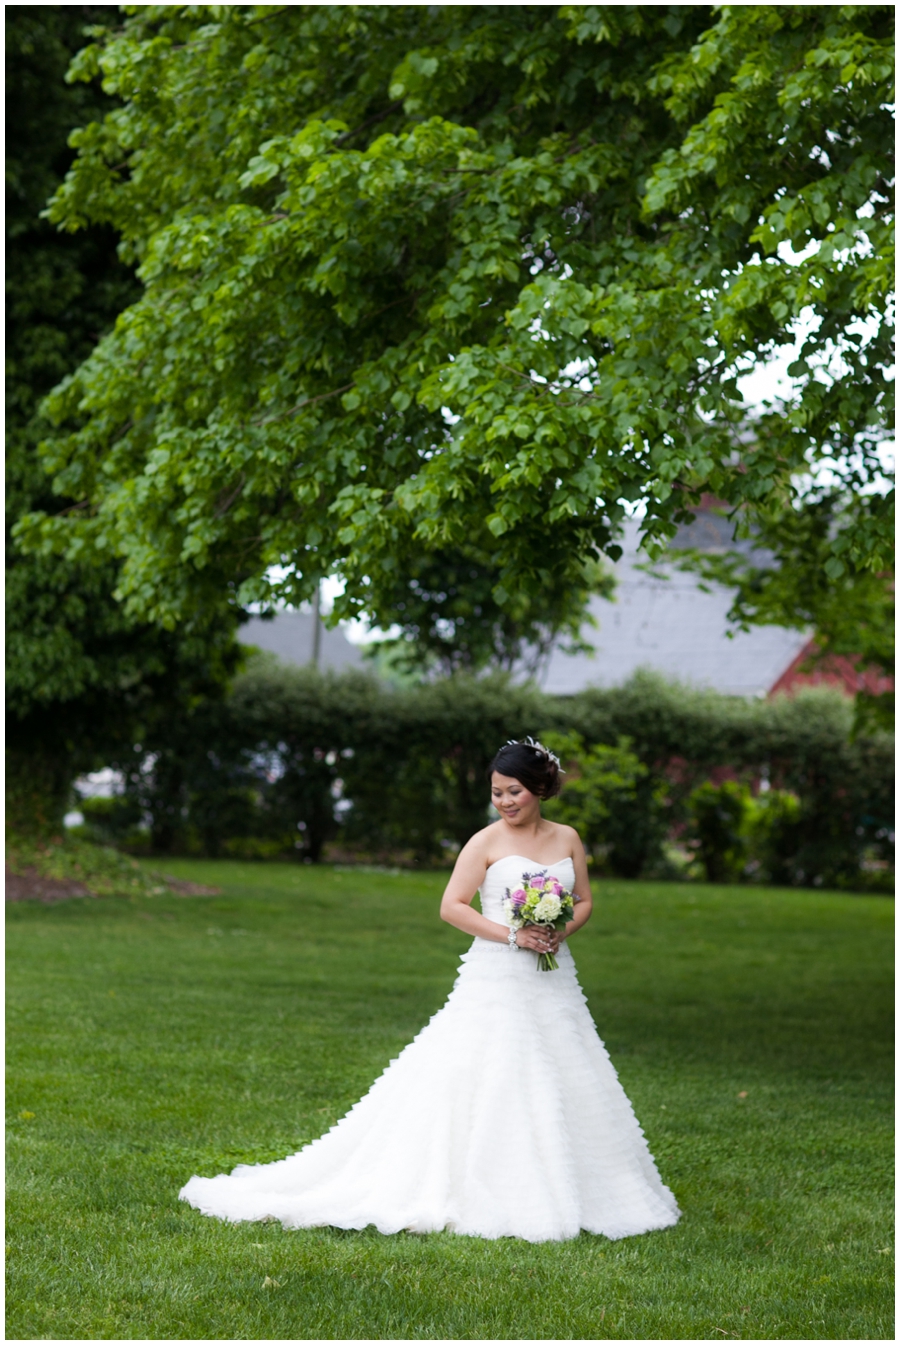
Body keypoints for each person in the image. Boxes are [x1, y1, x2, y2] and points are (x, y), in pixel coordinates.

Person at [180, 738, 680, 1242]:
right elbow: (452, 906)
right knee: (492, 1068)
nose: (505, 802)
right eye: (497, 793)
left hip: (553, 977)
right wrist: (513, 934)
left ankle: (580, 1183)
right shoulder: (484, 842)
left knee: (566, 1067)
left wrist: (558, 931)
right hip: (498, 974)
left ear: (541, 789)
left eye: (514, 792)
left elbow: (585, 899)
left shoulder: (567, 838)